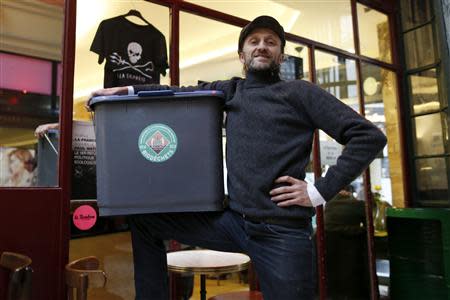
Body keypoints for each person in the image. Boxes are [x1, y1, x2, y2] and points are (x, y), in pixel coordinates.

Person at [89, 16, 387, 300]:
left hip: (281, 230)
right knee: (145, 222)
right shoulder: (230, 91)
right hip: (234, 221)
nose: (261, 46)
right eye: (254, 41)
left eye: (271, 42)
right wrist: (126, 90)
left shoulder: (300, 92)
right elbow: (177, 93)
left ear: (281, 56)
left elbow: (369, 137)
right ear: (242, 56)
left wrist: (319, 191)